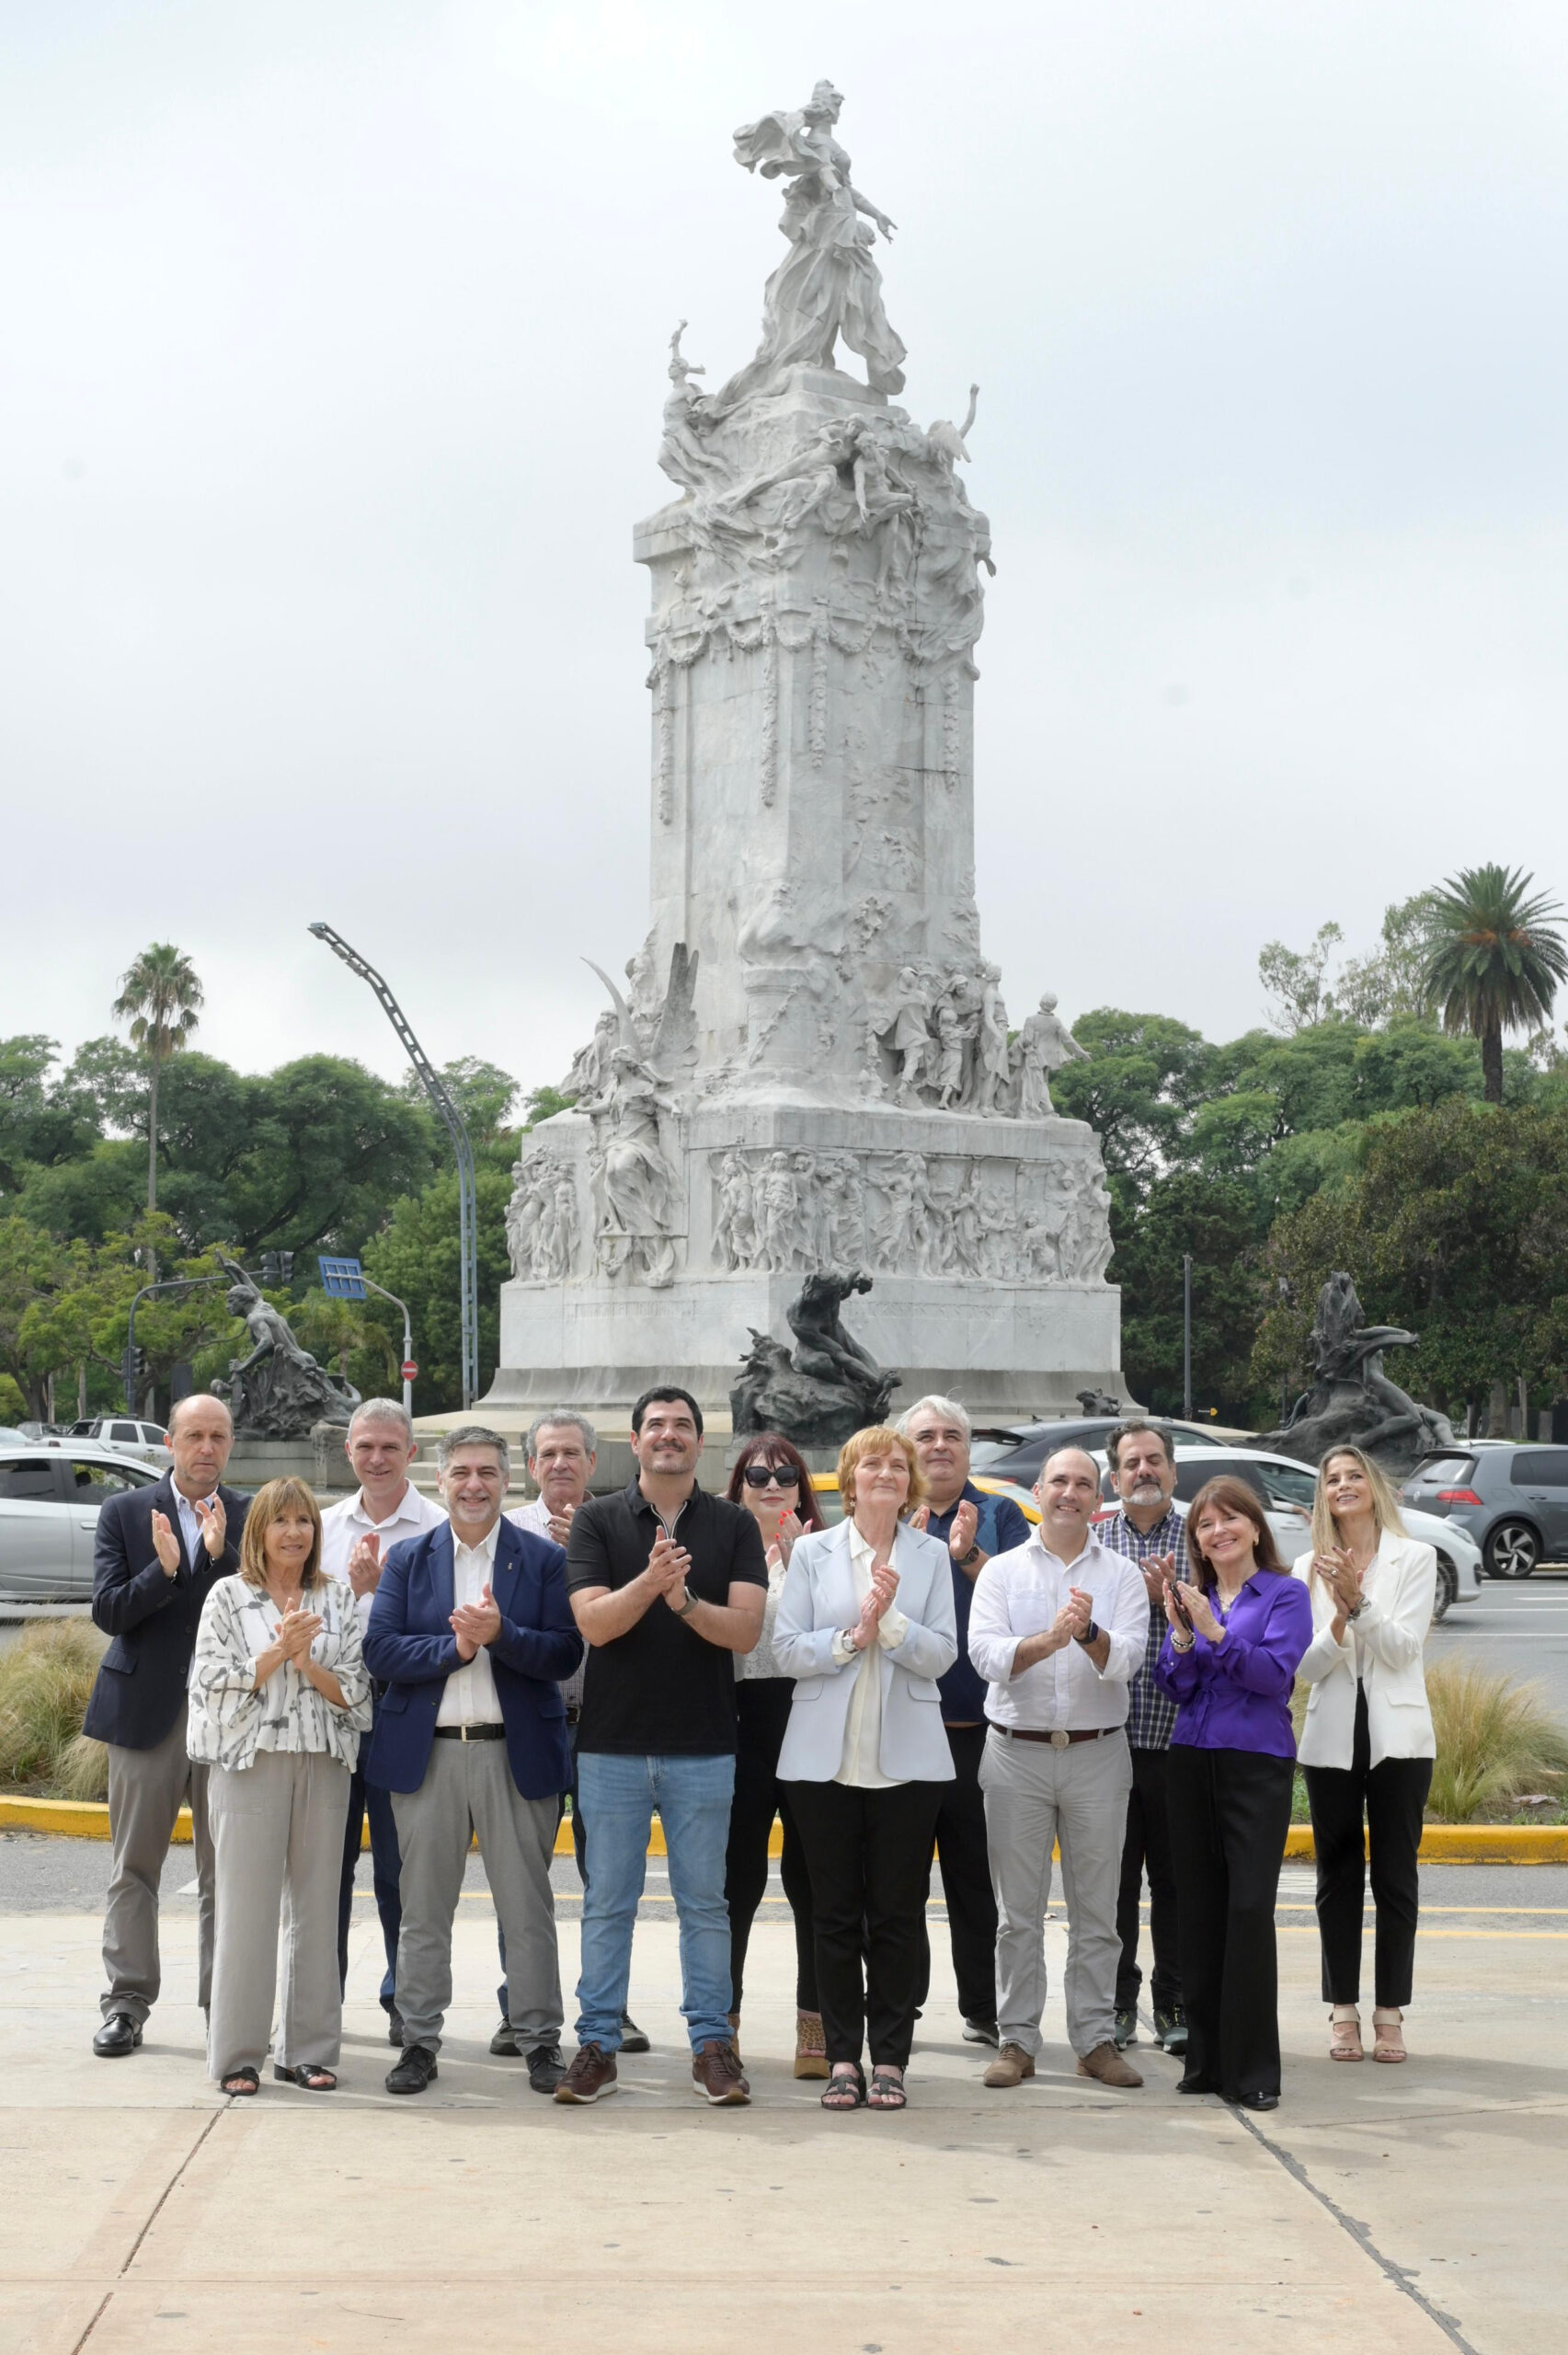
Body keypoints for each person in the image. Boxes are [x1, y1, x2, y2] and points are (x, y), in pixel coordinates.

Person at [555, 1387, 766, 2108]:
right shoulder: (596, 1519)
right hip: (610, 1745)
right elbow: (596, 1626)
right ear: (635, 1442)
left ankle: (712, 2045)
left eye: (681, 1426)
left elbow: (743, 1633)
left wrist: (684, 1604)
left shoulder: (734, 1524)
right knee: (606, 1903)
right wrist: (651, 1581)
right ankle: (596, 2046)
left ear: (699, 1444)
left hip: (704, 1744)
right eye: (655, 1426)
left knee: (704, 1904)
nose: (668, 1436)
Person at [364, 1425, 582, 2097]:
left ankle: (539, 2039)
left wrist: (502, 1636)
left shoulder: (541, 1560)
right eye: (461, 1472)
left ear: (507, 1480)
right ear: (440, 1480)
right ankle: (420, 2041)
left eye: (487, 1472)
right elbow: (382, 1653)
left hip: (511, 1754)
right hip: (427, 1756)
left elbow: (563, 1654)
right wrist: (453, 1651)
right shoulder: (408, 1560)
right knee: (423, 1911)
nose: (474, 1485)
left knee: (527, 1909)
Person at [774, 1426, 957, 2113]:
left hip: (907, 1765)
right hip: (820, 1764)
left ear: (909, 1481)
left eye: (896, 1464)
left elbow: (942, 1655)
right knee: (832, 1916)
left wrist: (890, 1625)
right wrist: (853, 1636)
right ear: (848, 1480)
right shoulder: (812, 1553)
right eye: (870, 1463)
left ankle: (891, 2059)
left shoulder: (930, 1556)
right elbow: (788, 1648)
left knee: (897, 1916)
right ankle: (842, 2059)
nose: (884, 1472)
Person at [967, 1447, 1150, 2092]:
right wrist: (1050, 1638)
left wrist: (1086, 1632)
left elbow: (1124, 1660)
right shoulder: (1002, 1572)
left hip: (1098, 1754)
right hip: (1015, 1753)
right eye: (1059, 1482)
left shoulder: (1121, 1575)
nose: (1069, 1492)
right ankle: (1016, 2041)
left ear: (1096, 1500)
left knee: (1097, 1913)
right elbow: (986, 1657)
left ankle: (1094, 2039)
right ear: (1037, 1492)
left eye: (1082, 1484)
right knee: (1017, 1913)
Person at [189, 1478, 372, 2095]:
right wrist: (277, 1651)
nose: (294, 1532)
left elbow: (358, 1694)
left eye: (304, 1521)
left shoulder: (338, 1598)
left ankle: (308, 2052)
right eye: (281, 1521)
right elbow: (212, 1687)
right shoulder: (227, 1596)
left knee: (318, 1911)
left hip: (322, 1763)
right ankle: (239, 2055)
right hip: (249, 1766)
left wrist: (307, 1663)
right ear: (258, 1531)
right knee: (245, 1913)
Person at [82, 1394, 249, 2058]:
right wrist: (169, 1568)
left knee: (225, 1873)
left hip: (227, 1716)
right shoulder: (124, 1512)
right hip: (144, 1716)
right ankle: (126, 2003)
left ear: (229, 1445)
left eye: (218, 1436)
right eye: (194, 1436)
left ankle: (224, 2007)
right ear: (170, 1443)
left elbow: (265, 1603)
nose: (206, 1448)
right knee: (134, 1868)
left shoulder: (250, 1513)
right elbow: (109, 1612)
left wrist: (216, 1557)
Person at [1156, 1476, 1313, 2111]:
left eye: (1228, 1520)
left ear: (1253, 1526)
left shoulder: (1284, 1593)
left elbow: (1273, 1676)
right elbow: (1177, 1687)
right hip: (1191, 1757)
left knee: (1246, 1910)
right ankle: (1206, 2061)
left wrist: (1214, 1633)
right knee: (1198, 1910)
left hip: (1255, 1763)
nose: (1216, 1532)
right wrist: (1182, 1634)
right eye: (1203, 1525)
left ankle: (1252, 2069)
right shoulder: (1194, 1597)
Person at [496, 1411, 647, 2059]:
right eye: (548, 1454)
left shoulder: (620, 1526)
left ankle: (607, 2010)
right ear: (531, 1467)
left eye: (572, 1454)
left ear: (593, 1463)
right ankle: (519, 2006)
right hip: (532, 1718)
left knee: (607, 1878)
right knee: (519, 1874)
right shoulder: (506, 1536)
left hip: (606, 1724)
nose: (560, 1464)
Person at [898, 1394, 1030, 2048]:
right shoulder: (893, 1515)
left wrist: (965, 1555)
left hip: (981, 1736)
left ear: (968, 1448)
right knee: (899, 1886)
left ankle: (983, 2008)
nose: (940, 1446)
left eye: (952, 1435)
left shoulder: (1000, 1514)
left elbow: (1021, 1609)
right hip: (907, 1729)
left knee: (976, 1885)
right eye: (926, 1436)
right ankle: (901, 2008)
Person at [1297, 1446, 1437, 2065]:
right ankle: (1342, 2009)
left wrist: (1357, 1602)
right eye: (1333, 1479)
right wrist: (1336, 1618)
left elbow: (1403, 1650)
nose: (1344, 1485)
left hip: (1398, 1740)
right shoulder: (1307, 1566)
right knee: (1336, 1876)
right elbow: (1304, 1667)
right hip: (1331, 1735)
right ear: (1322, 1495)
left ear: (1374, 1488)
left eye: (1355, 1476)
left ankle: (1389, 2012)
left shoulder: (1415, 1558)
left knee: (1394, 1877)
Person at [319, 1398, 447, 2048]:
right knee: (324, 1866)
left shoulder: (439, 1527)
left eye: (389, 1448)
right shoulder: (319, 1525)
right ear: (349, 1451)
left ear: (411, 1454)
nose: (376, 1459)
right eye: (365, 1447)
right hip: (331, 1712)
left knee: (401, 1869)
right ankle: (320, 1999)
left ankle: (405, 1998)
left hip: (405, 1710)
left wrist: (379, 1593)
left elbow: (449, 1632)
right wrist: (354, 1597)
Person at [723, 1432, 829, 2077]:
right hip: (736, 1727)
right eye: (756, 1475)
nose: (771, 1486)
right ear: (736, 1486)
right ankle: (722, 2024)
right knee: (735, 1885)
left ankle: (814, 2026)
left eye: (785, 1476)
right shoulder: (715, 1549)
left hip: (807, 1722)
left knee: (812, 1884)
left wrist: (807, 1566)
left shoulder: (824, 1551)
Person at [1097, 1420, 1190, 2056]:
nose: (1143, 1472)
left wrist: (1173, 1603)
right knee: (1113, 1884)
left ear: (1173, 1471)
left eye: (1154, 1460)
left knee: (1176, 1883)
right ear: (1114, 1476)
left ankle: (1175, 2002)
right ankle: (1116, 2002)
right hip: (1105, 1742)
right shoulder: (1095, 1541)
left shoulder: (1201, 1535)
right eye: (1131, 1463)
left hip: (1181, 1741)